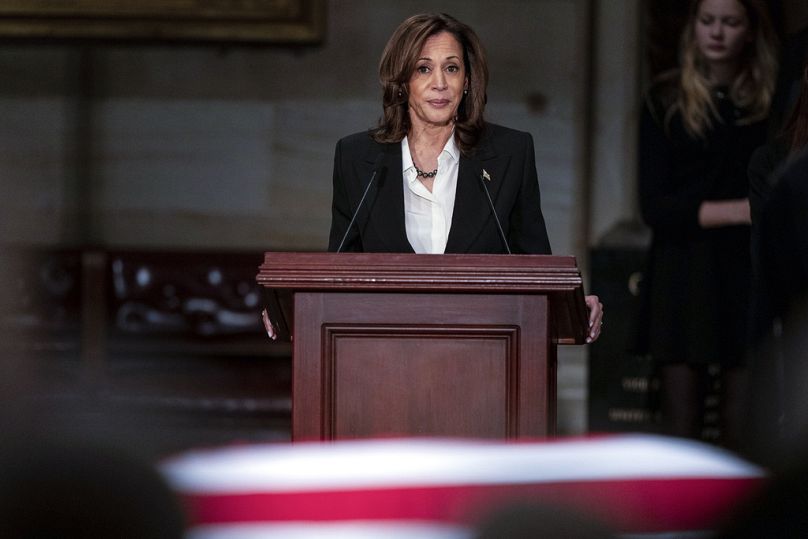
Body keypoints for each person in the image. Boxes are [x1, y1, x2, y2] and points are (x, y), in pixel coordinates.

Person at [326, 12, 602, 342]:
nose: (439, 82)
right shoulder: (357, 159)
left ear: (467, 81)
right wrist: (291, 309)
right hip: (385, 354)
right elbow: (338, 272)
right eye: (423, 68)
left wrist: (569, 305)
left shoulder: (509, 154)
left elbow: (535, 266)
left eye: (452, 68)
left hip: (485, 351)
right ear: (401, 82)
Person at [637, 0, 777, 447]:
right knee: (683, 425)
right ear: (692, 27)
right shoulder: (665, 99)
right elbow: (656, 207)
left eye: (731, 22)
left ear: (751, 31)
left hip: (747, 267)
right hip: (684, 267)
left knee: (745, 423)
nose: (717, 32)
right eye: (707, 20)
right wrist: (742, 211)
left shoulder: (773, 98)